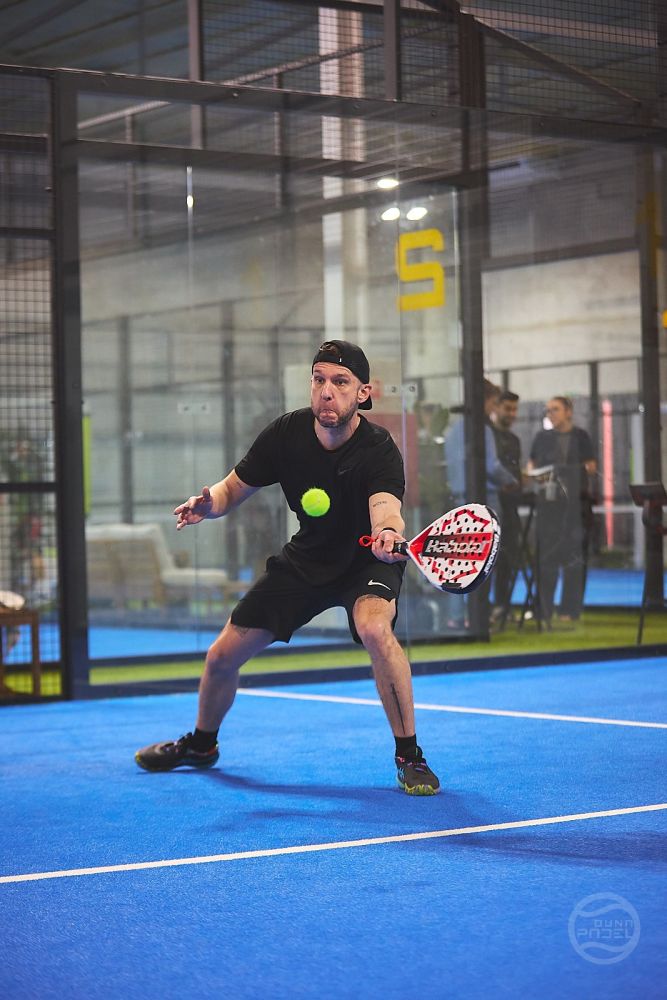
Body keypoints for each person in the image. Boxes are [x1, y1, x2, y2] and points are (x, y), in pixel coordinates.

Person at [135, 340, 440, 796]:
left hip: (367, 561)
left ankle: (409, 756)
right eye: (319, 380)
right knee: (220, 656)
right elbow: (232, 489)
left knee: (375, 629)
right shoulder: (286, 433)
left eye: (340, 382)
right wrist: (208, 504)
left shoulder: (379, 448)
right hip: (307, 559)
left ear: (363, 392)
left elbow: (386, 510)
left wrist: (387, 534)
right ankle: (201, 745)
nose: (326, 391)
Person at [528, 396, 597, 623]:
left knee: (574, 559)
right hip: (548, 507)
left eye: (555, 409)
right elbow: (531, 466)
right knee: (546, 558)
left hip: (576, 506)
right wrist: (541, 476)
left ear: (568, 411)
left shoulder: (581, 436)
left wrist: (568, 472)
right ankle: (543, 609)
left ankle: (570, 610)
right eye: (548, 410)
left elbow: (591, 466)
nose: (551, 414)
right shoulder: (542, 438)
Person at [490, 390, 523, 622]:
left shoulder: (514, 440)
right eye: (507, 408)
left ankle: (502, 606)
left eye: (514, 409)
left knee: (508, 558)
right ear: (496, 407)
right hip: (491, 506)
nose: (511, 414)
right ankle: (485, 610)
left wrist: (519, 483)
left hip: (510, 508)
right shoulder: (486, 434)